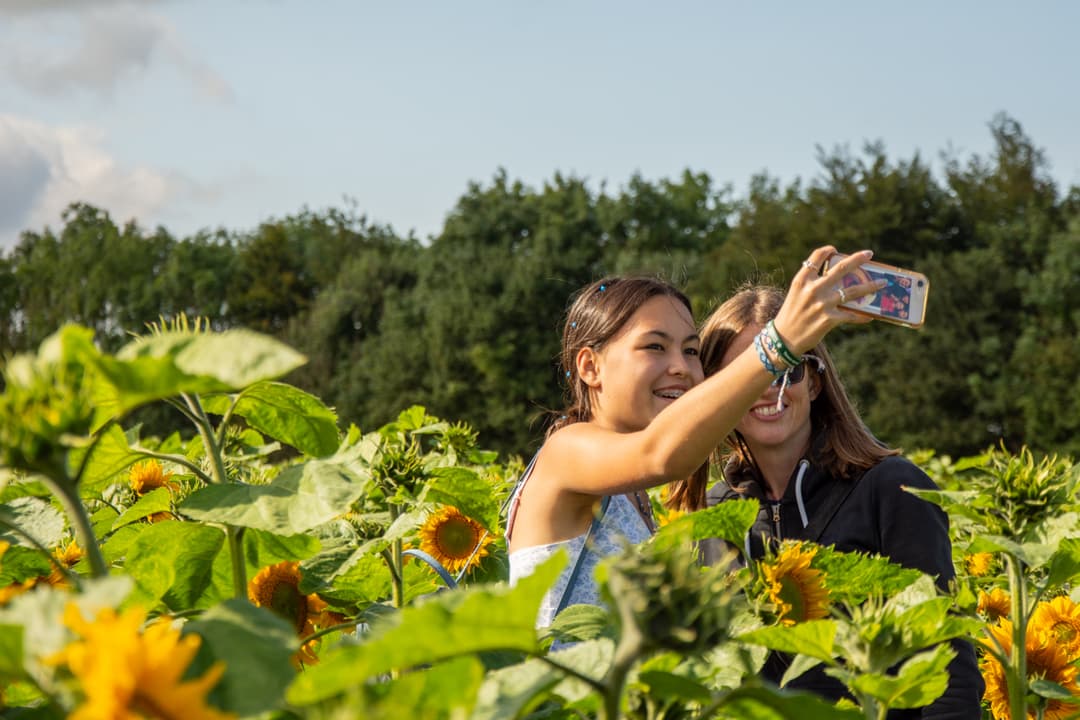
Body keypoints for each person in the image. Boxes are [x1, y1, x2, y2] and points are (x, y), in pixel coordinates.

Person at [506, 247, 883, 628]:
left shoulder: (628, 491)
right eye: (655, 346)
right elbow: (660, 454)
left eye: (691, 350)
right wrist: (778, 344)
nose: (682, 368)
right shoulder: (566, 452)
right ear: (590, 366)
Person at [685, 283, 983, 718]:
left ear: (816, 381)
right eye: (747, 373)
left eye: (789, 369)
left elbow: (946, 661)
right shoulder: (711, 514)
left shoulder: (891, 489)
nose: (769, 388)